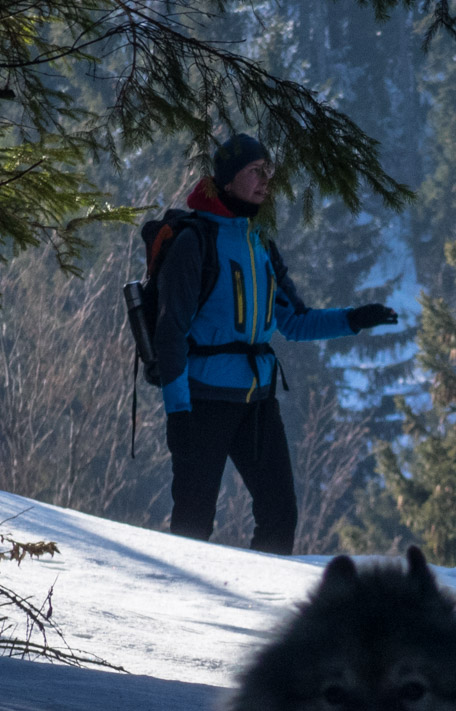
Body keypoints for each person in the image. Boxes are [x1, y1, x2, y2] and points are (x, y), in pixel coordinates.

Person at [153, 134, 398, 555]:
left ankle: (264, 602)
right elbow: (170, 332)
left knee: (280, 513)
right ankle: (183, 614)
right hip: (203, 402)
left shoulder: (260, 242)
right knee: (193, 522)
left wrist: (353, 320)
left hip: (258, 402)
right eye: (255, 171)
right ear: (227, 180)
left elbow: (294, 322)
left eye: (269, 171)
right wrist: (178, 411)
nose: (266, 181)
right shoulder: (196, 242)